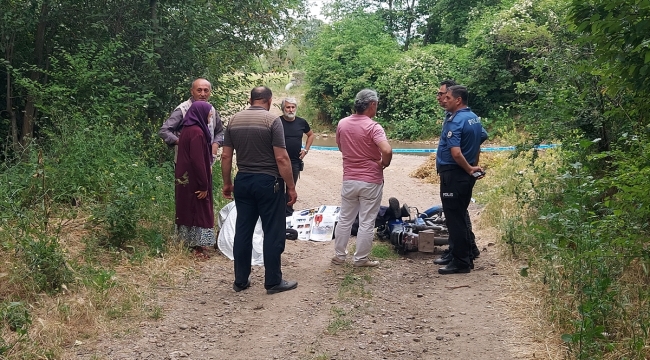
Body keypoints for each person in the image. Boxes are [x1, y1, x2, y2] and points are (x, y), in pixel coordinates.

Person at [221, 86, 299, 294]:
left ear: (250, 99)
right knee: (272, 231)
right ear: (270, 100)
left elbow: (226, 156)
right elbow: (281, 158)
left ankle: (240, 280)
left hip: (243, 180)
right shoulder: (273, 121)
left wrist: (227, 182)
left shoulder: (234, 120)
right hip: (268, 182)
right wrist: (290, 187)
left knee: (243, 230)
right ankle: (273, 281)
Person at [331, 89, 392, 267]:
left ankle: (339, 256)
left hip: (349, 178)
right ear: (372, 104)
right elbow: (387, 150)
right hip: (370, 180)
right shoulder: (373, 127)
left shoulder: (342, 123)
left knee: (345, 218)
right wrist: (383, 163)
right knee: (367, 220)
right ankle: (360, 259)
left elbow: (340, 146)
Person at [435, 85, 487, 274]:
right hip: (465, 174)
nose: (443, 99)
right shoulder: (473, 117)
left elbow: (456, 153)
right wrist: (473, 164)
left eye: (447, 97)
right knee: (460, 214)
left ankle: (461, 261)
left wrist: (469, 167)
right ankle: (465, 254)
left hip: (455, 173)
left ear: (458, 100)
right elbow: (482, 137)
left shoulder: (455, 121)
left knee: (454, 217)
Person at [174, 101, 216, 259]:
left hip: (184, 176)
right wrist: (204, 185)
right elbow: (198, 161)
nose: (210, 115)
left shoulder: (187, 129)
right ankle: (198, 246)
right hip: (194, 178)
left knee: (186, 207)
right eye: (209, 112)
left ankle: (187, 242)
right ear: (201, 113)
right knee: (199, 209)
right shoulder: (197, 133)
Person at [159, 78, 224, 162]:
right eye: (199, 90)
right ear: (192, 91)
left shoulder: (211, 109)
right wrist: (182, 142)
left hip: (206, 160)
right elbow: (164, 130)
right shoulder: (182, 109)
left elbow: (220, 131)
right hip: (186, 161)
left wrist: (216, 144)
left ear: (210, 92)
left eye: (206, 90)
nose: (203, 94)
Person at [280, 97, 315, 216]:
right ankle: (277, 213)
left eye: (292, 107)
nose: (290, 110)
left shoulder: (301, 122)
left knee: (291, 188)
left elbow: (311, 135)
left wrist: (306, 150)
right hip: (278, 162)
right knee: (277, 188)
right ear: (283, 109)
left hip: (295, 161)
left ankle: (288, 213)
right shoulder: (277, 122)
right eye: (288, 107)